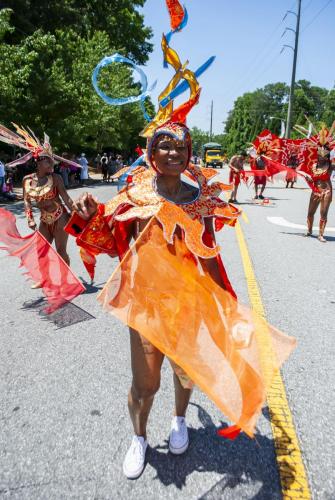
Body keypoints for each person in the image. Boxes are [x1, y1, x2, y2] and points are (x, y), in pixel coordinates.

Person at [67, 122, 295, 479]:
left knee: (186, 372)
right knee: (146, 385)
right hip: (145, 306)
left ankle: (178, 420)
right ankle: (139, 437)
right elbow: (110, 243)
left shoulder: (200, 202)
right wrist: (87, 214)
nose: (173, 152)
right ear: (152, 153)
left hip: (189, 305)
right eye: (165, 145)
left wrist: (227, 307)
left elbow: (209, 256)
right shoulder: (134, 197)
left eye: (181, 147)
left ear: (189, 154)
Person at [0, 123, 80, 280]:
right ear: (38, 163)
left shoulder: (56, 178)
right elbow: (26, 201)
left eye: (51, 162)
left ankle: (65, 279)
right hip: (44, 218)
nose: (52, 165)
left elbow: (66, 198)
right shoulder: (27, 180)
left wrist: (77, 211)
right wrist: (29, 219)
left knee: (61, 250)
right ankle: (44, 278)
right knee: (41, 250)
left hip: (60, 217)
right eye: (48, 162)